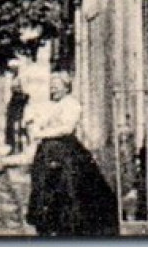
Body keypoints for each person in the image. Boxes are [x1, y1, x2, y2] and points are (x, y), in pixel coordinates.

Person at [26, 72, 119, 237]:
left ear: (66, 87)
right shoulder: (49, 105)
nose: (53, 88)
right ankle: (47, 224)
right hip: (47, 152)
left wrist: (41, 134)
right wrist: (34, 125)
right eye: (51, 85)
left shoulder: (72, 105)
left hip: (66, 150)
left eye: (56, 85)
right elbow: (36, 122)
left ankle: (70, 225)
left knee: (69, 186)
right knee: (44, 186)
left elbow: (66, 129)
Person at [4, 64, 29, 156]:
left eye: (14, 69)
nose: (13, 71)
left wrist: (22, 103)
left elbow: (25, 93)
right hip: (13, 102)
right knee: (10, 125)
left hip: (18, 103)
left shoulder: (20, 79)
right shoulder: (12, 79)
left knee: (18, 125)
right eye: (11, 70)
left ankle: (19, 147)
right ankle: (12, 146)